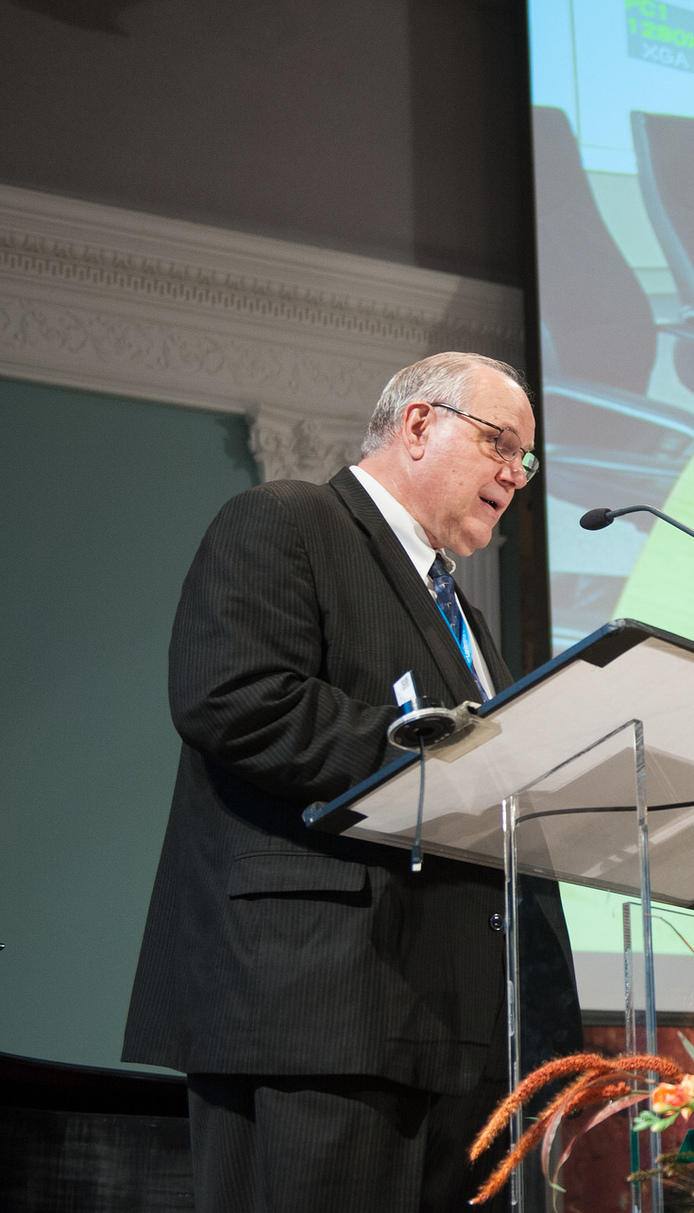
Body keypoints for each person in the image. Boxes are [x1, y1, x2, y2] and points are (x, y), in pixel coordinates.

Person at [123, 352, 581, 1212]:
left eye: (526, 458)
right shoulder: (285, 521)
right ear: (419, 424)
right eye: (500, 443)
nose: (517, 474)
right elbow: (234, 697)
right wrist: (443, 754)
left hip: (462, 1035)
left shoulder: (464, 614)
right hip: (316, 1015)